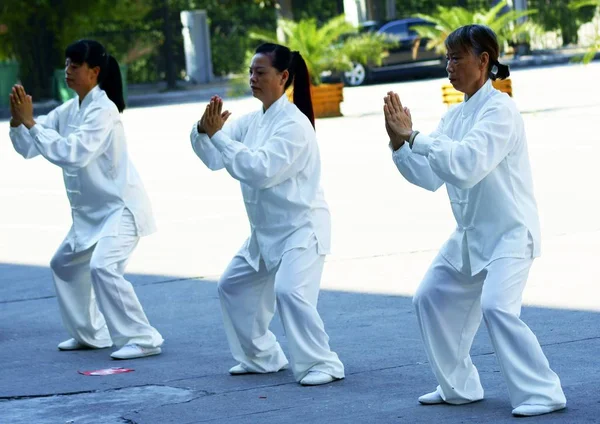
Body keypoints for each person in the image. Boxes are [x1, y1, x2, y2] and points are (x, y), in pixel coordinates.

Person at [382, 25, 566, 417]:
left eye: (456, 58)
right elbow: (431, 177)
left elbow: (466, 166)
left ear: (483, 61)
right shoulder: (454, 117)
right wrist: (399, 144)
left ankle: (545, 393)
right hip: (469, 237)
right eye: (446, 58)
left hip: (510, 234)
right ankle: (458, 386)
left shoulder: (501, 110)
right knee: (429, 297)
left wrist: (414, 137)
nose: (449, 66)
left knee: (497, 307)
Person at [189, 42, 344, 386]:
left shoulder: (294, 124)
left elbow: (260, 169)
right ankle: (261, 356)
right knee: (232, 286)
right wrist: (203, 130)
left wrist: (219, 139)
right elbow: (216, 157)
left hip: (302, 229)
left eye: (260, 72)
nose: (252, 78)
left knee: (291, 293)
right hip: (265, 232)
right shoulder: (252, 121)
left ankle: (325, 363)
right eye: (251, 72)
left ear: (283, 76)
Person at [8, 39, 163, 360]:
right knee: (63, 265)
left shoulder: (103, 110)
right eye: (66, 64)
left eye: (75, 66)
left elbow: (74, 154)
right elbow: (29, 148)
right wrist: (18, 121)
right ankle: (90, 334)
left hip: (121, 210)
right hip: (91, 215)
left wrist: (32, 123)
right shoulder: (69, 109)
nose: (68, 71)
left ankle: (144, 338)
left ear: (94, 72)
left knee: (103, 267)